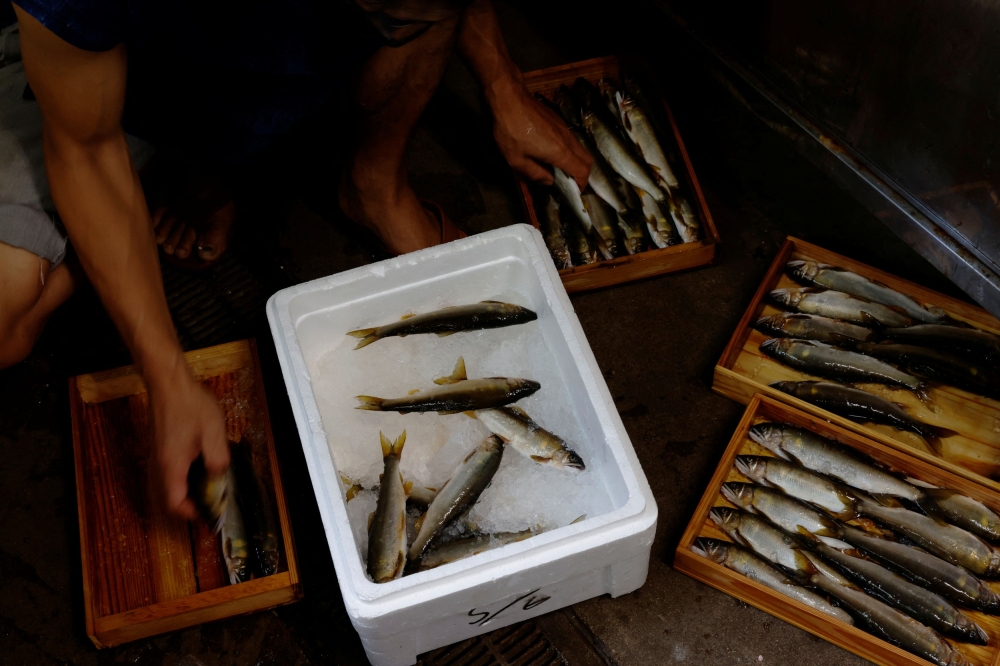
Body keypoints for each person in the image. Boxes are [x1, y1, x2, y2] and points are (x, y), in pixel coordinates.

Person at [0, 0, 591, 519]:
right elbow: (85, 149)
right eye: (384, 12)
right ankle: (156, 192)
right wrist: (167, 376)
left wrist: (501, 86)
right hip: (85, 73)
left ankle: (368, 186)